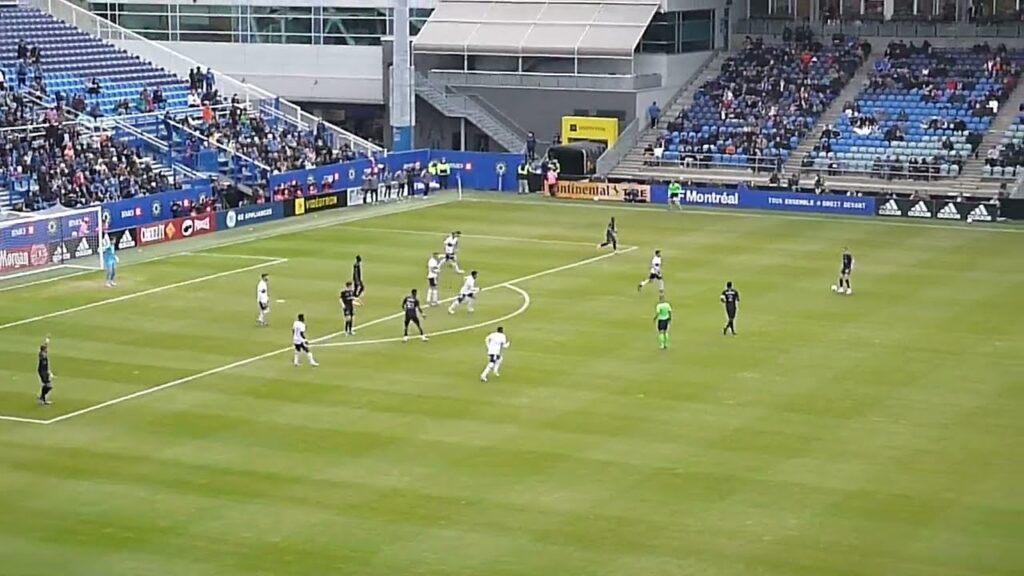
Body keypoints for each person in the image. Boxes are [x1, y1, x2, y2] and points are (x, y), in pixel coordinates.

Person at [37, 338, 54, 405]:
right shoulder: (41, 354)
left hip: (45, 371)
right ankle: (42, 398)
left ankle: (42, 397)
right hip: (42, 372)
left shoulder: (44, 353)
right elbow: (42, 355)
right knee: (48, 386)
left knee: (49, 386)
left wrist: (47, 342)